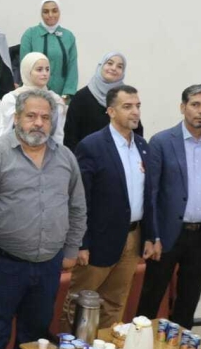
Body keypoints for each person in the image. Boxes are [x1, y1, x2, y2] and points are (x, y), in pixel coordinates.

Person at [0, 89, 86, 349]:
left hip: (49, 263)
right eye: (31, 116)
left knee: (36, 331)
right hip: (4, 263)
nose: (38, 123)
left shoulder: (65, 158)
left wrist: (71, 248)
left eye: (45, 117)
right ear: (16, 118)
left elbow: (77, 207)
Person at [136, 84, 201, 349]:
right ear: (183, 107)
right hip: (167, 235)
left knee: (188, 299)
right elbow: (151, 193)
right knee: (151, 298)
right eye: (195, 104)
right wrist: (152, 235)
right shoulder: (162, 141)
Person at [63, 85, 153, 335]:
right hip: (99, 238)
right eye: (127, 106)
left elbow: (148, 195)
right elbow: (80, 199)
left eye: (138, 106)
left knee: (115, 302)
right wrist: (81, 242)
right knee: (80, 301)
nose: (135, 112)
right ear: (111, 111)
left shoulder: (143, 146)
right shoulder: (92, 145)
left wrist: (149, 235)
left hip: (132, 237)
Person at [64, 51, 142, 151]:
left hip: (121, 156)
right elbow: (70, 136)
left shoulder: (126, 97)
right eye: (109, 63)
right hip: (87, 157)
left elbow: (137, 131)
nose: (113, 68)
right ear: (101, 66)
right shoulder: (81, 97)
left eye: (119, 66)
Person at [0, 52, 67, 144]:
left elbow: (58, 135)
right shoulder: (12, 98)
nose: (45, 73)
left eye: (47, 69)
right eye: (39, 69)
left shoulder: (55, 99)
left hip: (48, 150)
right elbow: (5, 131)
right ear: (27, 71)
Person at [20, 0, 78, 99]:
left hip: (61, 95)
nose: (50, 15)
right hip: (34, 95)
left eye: (54, 11)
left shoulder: (68, 36)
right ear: (41, 14)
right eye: (46, 12)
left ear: (59, 12)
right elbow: (25, 67)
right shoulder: (30, 34)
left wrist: (66, 96)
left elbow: (72, 68)